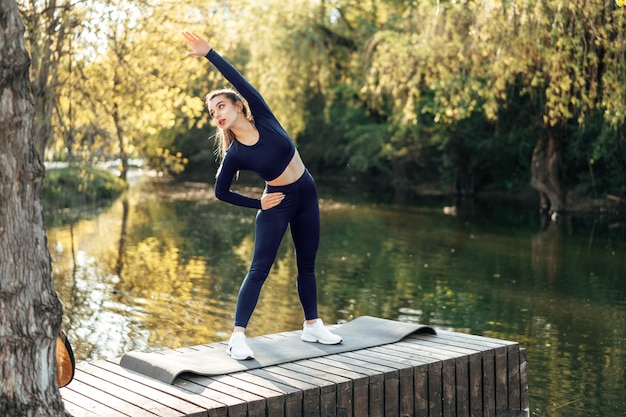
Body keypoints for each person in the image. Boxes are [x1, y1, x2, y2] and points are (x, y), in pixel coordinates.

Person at [182, 31, 342, 360]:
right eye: (213, 113)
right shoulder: (235, 155)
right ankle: (238, 336)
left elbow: (237, 78)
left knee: (307, 264)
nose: (218, 114)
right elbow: (220, 192)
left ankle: (312, 325)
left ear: (239, 106)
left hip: (307, 193)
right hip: (278, 202)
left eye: (221, 106)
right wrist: (259, 203)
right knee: (259, 269)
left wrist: (210, 53)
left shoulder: (265, 117)